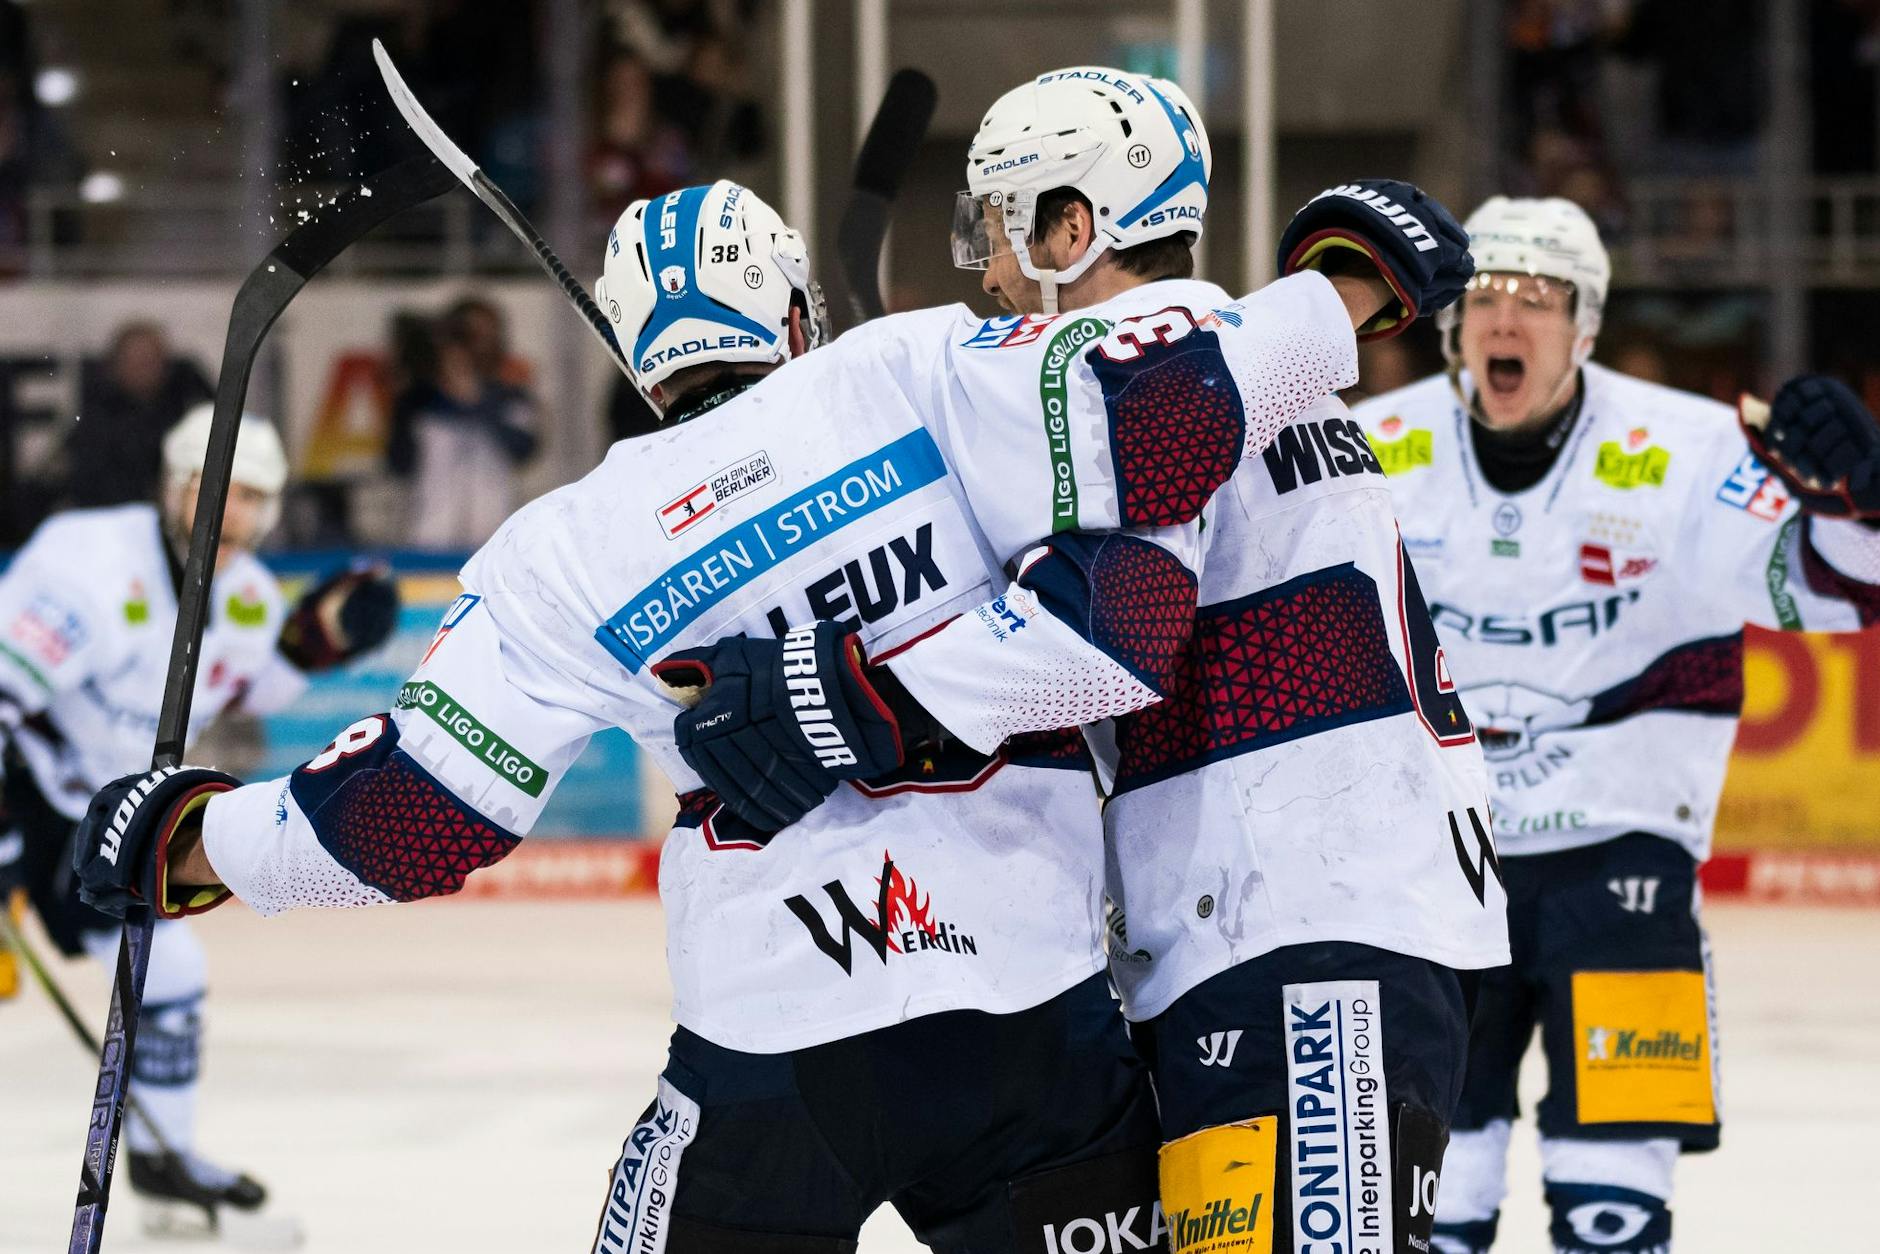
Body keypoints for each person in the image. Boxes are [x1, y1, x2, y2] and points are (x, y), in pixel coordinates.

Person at [69, 99, 1465, 1249]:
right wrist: (1353, 293)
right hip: (1034, 1030)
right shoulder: (921, 364)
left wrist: (193, 840)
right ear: (797, 310)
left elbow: (409, 821)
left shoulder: (562, 546)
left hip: (769, 1045)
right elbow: (1163, 405)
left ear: (629, 354)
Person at [661, 74, 1507, 1254]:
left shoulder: (1128, 380)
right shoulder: (1208, 364)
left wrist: (833, 694)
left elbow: (1099, 638)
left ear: (1076, 227)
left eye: (1001, 228)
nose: (987, 273)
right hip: (1277, 928)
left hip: (1305, 940)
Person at [1349, 196, 1880, 1254]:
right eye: (1487, 295)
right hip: (1430, 872)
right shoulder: (1364, 452)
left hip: (1620, 864)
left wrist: (1857, 504)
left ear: (1582, 325)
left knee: (1610, 1206)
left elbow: (1833, 592)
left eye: (1538, 299)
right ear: (1451, 323)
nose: (1507, 319)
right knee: (1427, 1207)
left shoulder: (1683, 447)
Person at [0, 404, 396, 1232]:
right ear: (178, 485)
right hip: (32, 791)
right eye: (221, 492)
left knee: (172, 974)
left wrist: (309, 648)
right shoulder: (88, 561)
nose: (235, 515)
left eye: (255, 498)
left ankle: (160, 1161)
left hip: (113, 816)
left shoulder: (246, 594)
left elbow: (247, 690)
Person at [391, 296, 541, 548]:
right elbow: (397, 463)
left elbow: (523, 449)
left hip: (493, 540)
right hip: (429, 542)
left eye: (484, 337)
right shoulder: (419, 401)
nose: (475, 348)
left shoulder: (509, 397)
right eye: (466, 338)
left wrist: (475, 398)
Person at [70, 321, 213, 510]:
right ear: (114, 367)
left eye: (150, 361)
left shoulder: (189, 415)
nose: (143, 370)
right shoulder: (95, 424)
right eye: (134, 361)